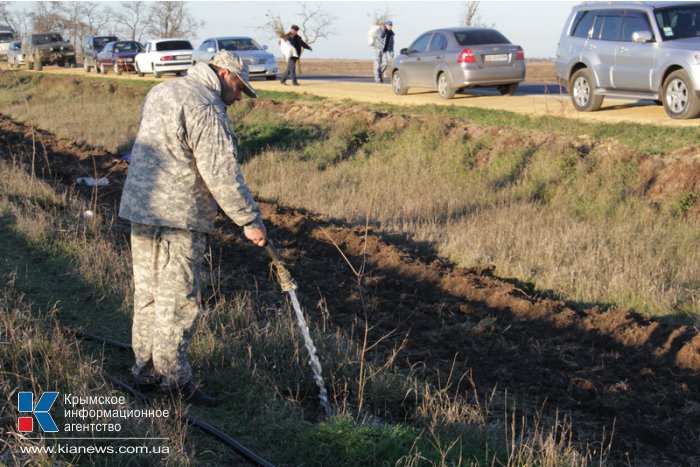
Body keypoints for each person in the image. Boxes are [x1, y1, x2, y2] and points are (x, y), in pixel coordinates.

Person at [119, 50, 267, 407]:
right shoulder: (206, 106)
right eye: (238, 87)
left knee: (149, 293)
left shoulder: (162, 91)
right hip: (179, 216)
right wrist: (248, 219)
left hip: (142, 208)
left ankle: (144, 371)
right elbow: (220, 171)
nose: (238, 96)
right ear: (223, 73)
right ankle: (173, 382)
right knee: (179, 299)